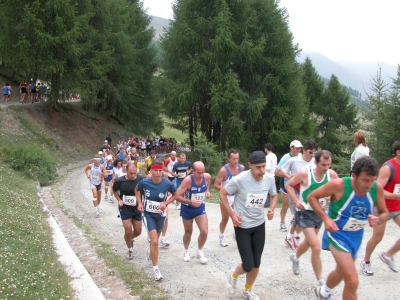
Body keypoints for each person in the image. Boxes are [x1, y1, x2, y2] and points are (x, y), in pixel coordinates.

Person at [308, 156, 388, 300]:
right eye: (364, 180)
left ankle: (324, 291)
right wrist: (325, 218)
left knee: (340, 272)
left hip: (355, 237)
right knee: (352, 280)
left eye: (372, 180)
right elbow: (312, 197)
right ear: (354, 176)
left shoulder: (377, 188)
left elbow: (384, 212)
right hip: (336, 234)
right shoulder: (339, 185)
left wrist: (379, 219)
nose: (368, 184)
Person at [220, 151, 278, 300]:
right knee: (247, 265)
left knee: (256, 263)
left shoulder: (269, 178)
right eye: (258, 167)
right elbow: (222, 193)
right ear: (250, 165)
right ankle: (234, 275)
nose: (262, 171)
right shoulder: (240, 179)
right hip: (243, 226)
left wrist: (271, 209)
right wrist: (232, 214)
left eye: (264, 166)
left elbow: (274, 195)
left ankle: (248, 290)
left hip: (259, 224)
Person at [286, 150, 338, 287]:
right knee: (316, 246)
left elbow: (339, 190)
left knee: (309, 243)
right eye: (323, 165)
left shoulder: (332, 175)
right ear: (316, 162)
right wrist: (296, 200)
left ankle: (295, 258)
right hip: (305, 212)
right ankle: (321, 282)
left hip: (319, 212)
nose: (326, 168)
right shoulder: (305, 173)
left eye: (329, 165)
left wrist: (330, 196)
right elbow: (289, 185)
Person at [361, 139, 400, 275]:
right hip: (381, 207)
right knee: (378, 237)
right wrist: (395, 196)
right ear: (398, 152)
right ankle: (365, 261)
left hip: (397, 207)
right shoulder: (388, 168)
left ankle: (388, 255)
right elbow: (376, 189)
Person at [135, 160, 176, 281]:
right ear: (151, 171)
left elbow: (176, 195)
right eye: (155, 170)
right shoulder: (144, 182)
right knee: (154, 241)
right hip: (148, 214)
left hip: (160, 215)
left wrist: (166, 203)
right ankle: (156, 269)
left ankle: (150, 250)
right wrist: (139, 202)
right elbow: (136, 190)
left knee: (155, 241)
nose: (158, 173)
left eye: (160, 170)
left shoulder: (167, 184)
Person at [162, 161, 211, 263]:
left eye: (202, 172)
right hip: (187, 208)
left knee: (204, 231)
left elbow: (207, 184)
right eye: (198, 172)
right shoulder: (188, 180)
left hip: (200, 208)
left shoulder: (207, 177)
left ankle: (199, 251)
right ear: (193, 171)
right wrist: (190, 202)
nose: (201, 175)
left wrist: (207, 191)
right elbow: (177, 196)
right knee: (188, 232)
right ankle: (186, 250)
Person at [278, 140, 318, 249]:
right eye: (310, 152)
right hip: (294, 188)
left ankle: (292, 235)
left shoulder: (315, 161)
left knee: (302, 213)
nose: (312, 155)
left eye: (314, 153)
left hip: (306, 190)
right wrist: (289, 176)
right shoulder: (294, 160)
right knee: (299, 212)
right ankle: (292, 236)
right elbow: (280, 169)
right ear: (304, 151)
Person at [213, 150, 245, 247]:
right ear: (228, 159)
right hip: (225, 196)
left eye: (237, 158)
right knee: (225, 219)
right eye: (233, 159)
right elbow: (215, 185)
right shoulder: (224, 170)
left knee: (239, 216)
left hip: (237, 196)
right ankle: (221, 235)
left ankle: (237, 234)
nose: (236, 161)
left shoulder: (241, 168)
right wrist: (227, 190)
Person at [113, 163, 144, 258]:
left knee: (138, 231)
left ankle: (129, 238)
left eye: (135, 173)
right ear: (126, 170)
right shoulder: (119, 180)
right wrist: (119, 200)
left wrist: (141, 202)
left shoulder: (141, 179)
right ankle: (130, 249)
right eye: (131, 173)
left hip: (136, 208)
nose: (133, 175)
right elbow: (114, 190)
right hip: (125, 208)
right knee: (128, 230)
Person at [274, 140, 303, 232]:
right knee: (285, 205)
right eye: (296, 148)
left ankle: (294, 220)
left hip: (298, 185)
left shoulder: (301, 157)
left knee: (297, 204)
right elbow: (277, 172)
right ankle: (282, 222)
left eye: (299, 148)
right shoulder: (285, 158)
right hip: (286, 183)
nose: (298, 150)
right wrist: (288, 176)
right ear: (291, 148)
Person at [264, 143, 277, 208]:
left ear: (266, 149)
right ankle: (271, 203)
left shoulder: (268, 157)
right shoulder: (274, 155)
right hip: (274, 174)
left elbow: (268, 167)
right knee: (272, 191)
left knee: (266, 189)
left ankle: (266, 203)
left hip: (269, 174)